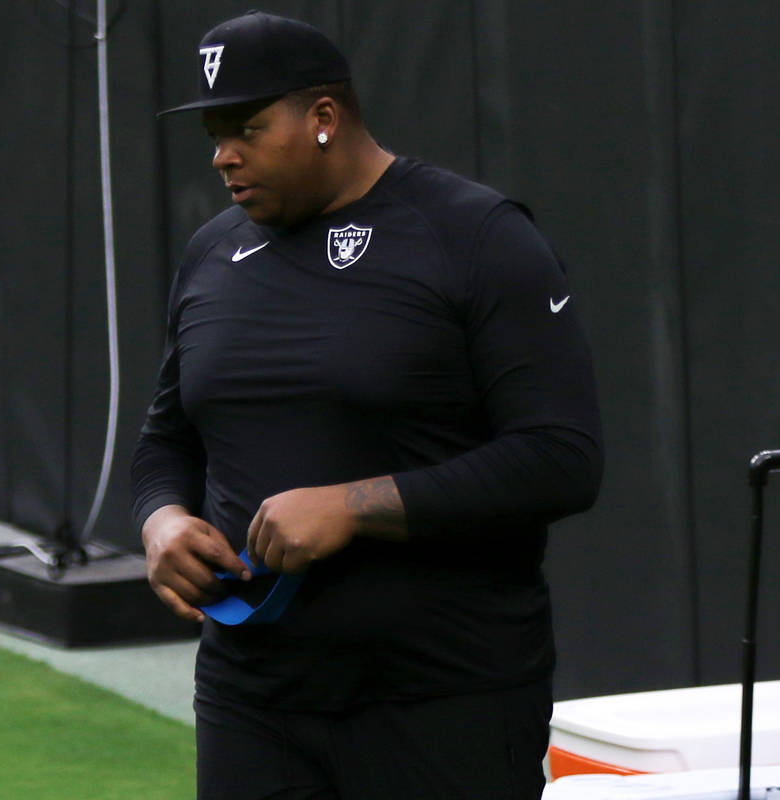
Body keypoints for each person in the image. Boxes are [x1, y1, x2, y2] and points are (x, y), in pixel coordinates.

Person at [131, 10, 603, 799]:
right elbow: (167, 441)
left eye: (246, 127)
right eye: (214, 134)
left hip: (444, 697)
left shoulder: (475, 235)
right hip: (255, 700)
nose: (222, 156)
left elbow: (562, 458)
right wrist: (161, 522)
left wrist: (358, 506)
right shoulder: (213, 252)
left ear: (323, 118)